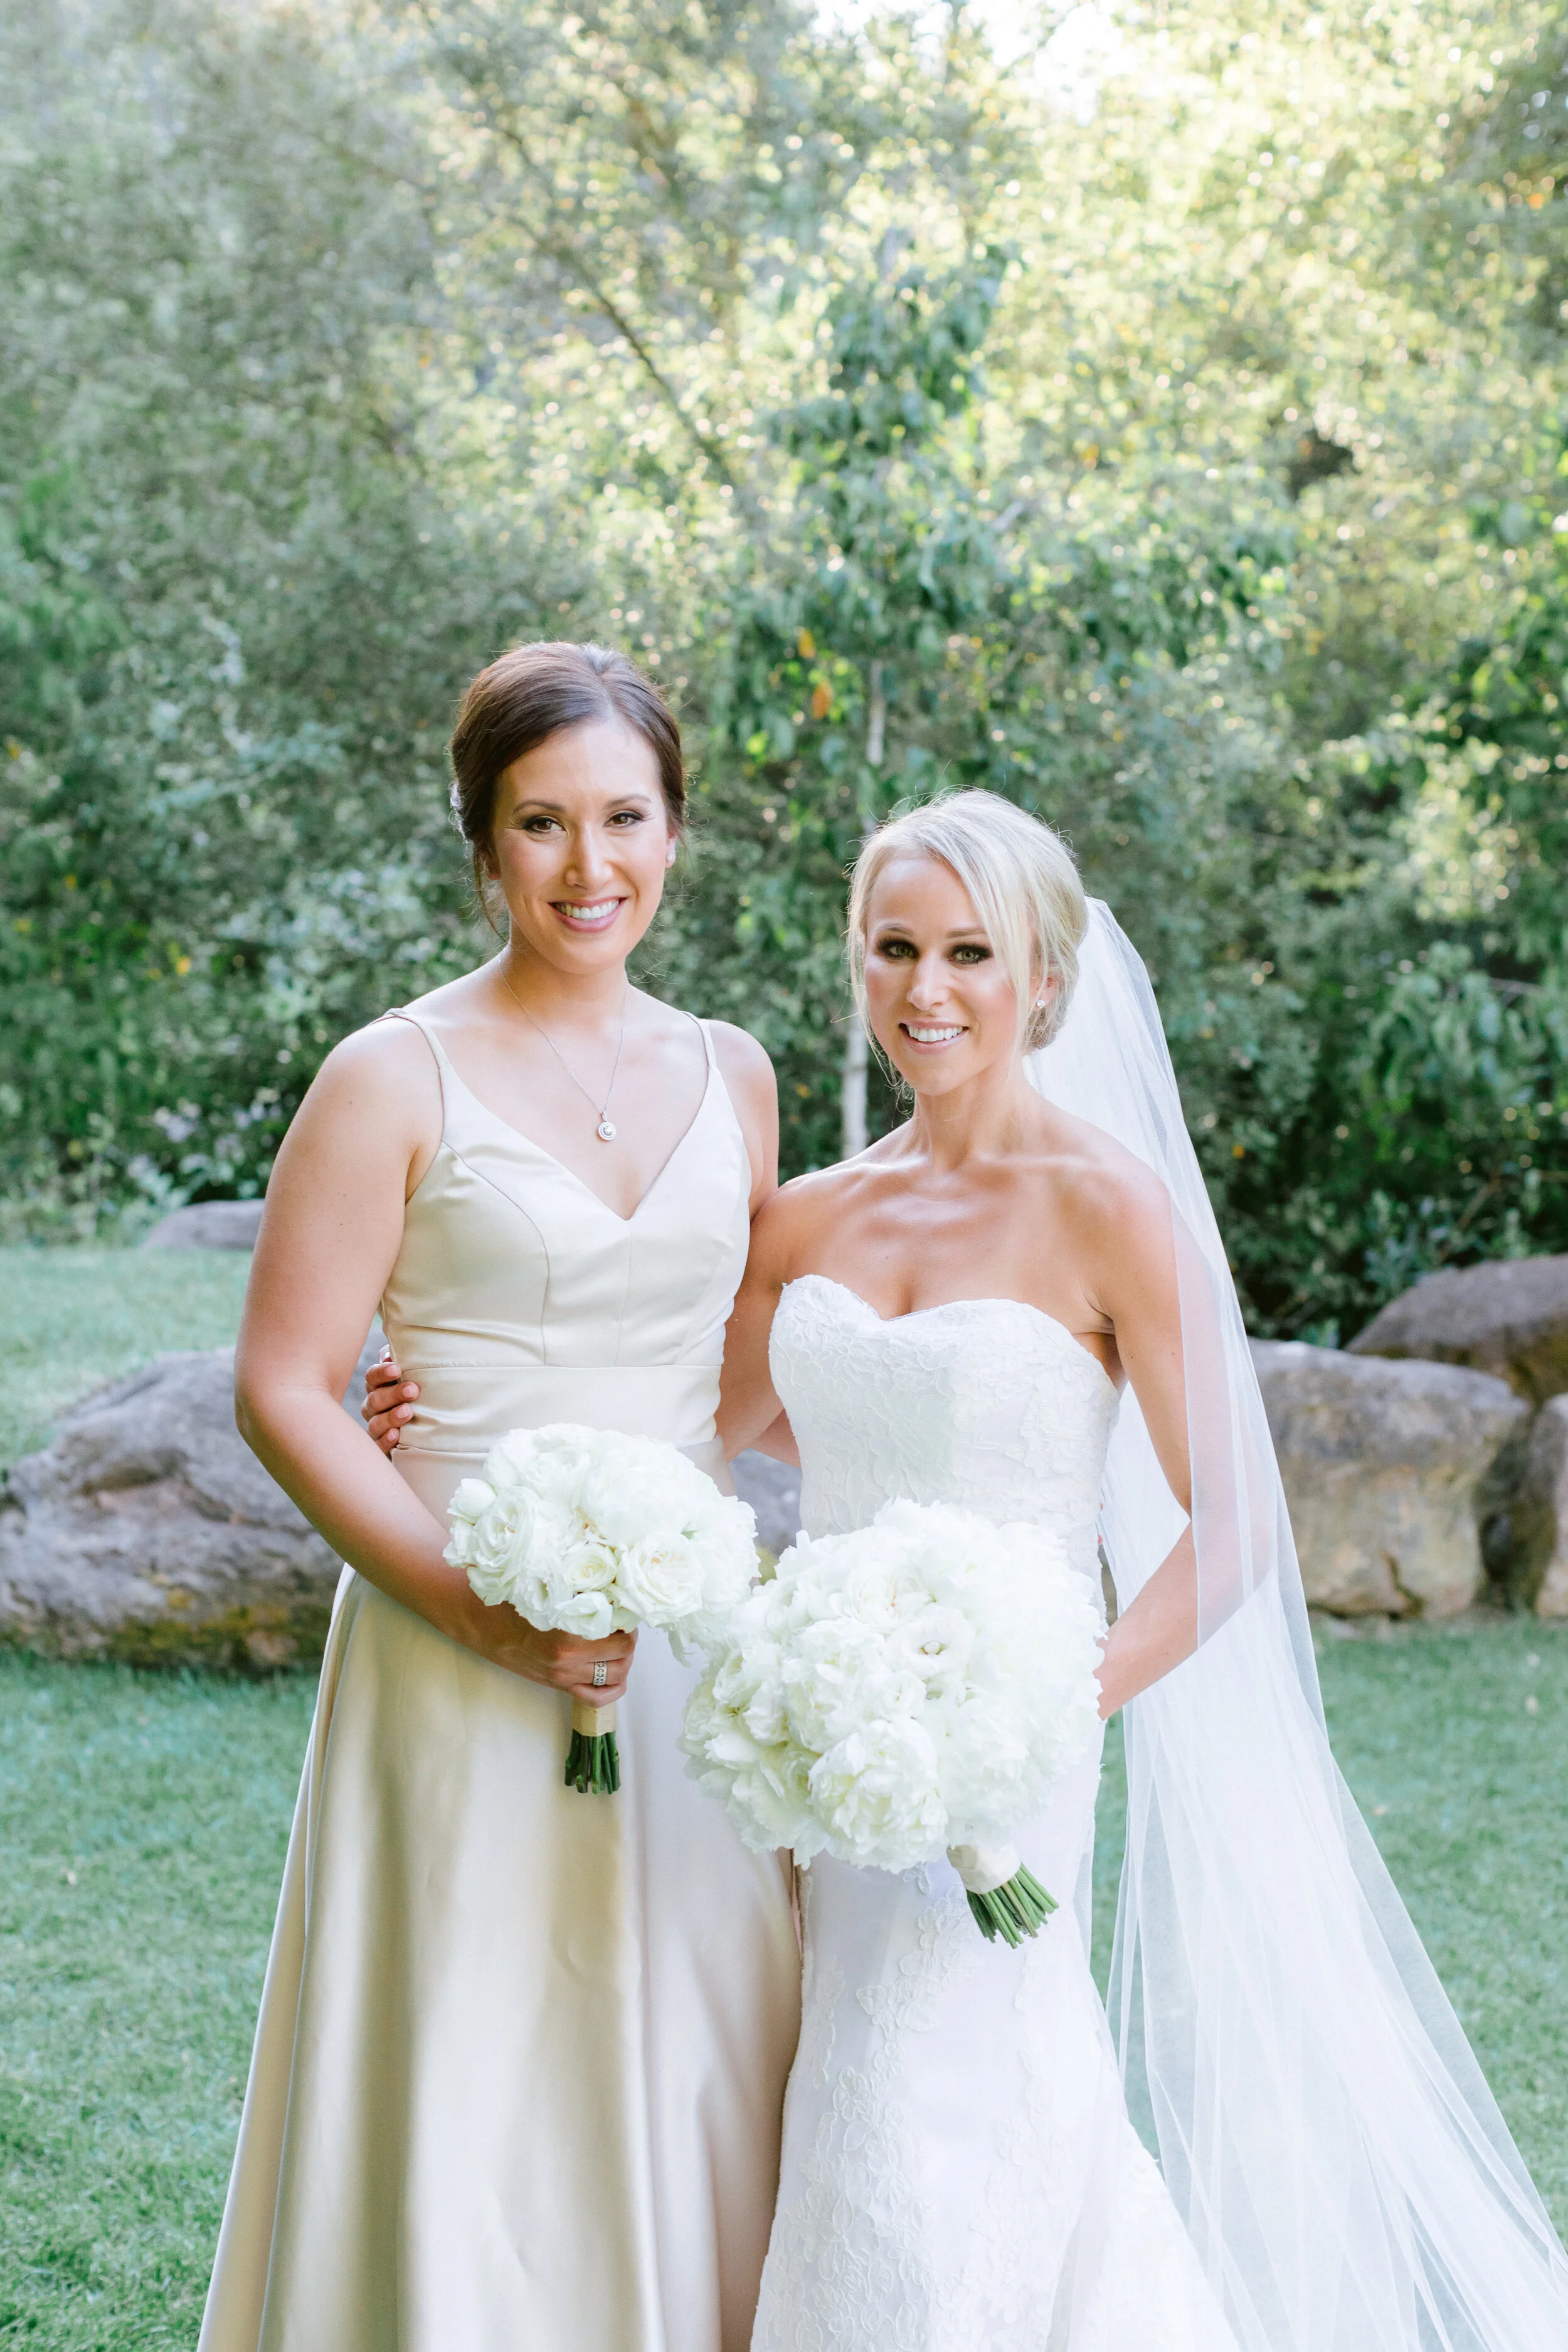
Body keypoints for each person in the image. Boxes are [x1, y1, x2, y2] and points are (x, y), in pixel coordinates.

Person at [365, 785, 1568, 2349]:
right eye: (892, 949)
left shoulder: (1111, 1209)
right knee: (847, 2100)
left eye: (968, 953)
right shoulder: (802, 1219)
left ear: (1043, 980)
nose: (925, 992)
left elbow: (1239, 1530)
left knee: (939, 2101)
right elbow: (684, 1438)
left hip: (1010, 1737)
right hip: (817, 1736)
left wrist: (1049, 1706)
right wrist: (439, 1409)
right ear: (857, 964)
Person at [199, 642, 800, 2352]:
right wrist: (469, 1594)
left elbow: (740, 1346)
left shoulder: (732, 1070)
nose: (588, 865)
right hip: (445, 1631)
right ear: (482, 840)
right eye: (542, 822)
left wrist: (682, 1514)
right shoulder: (392, 1074)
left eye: (624, 816)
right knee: (468, 2047)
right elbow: (281, 1384)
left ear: (677, 828)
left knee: (696, 2027)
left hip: (677, 1637)